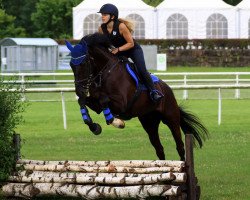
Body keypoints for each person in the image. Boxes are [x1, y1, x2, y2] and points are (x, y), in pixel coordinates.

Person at [98, 3, 163, 103]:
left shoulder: (121, 26)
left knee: (141, 69)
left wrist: (118, 49)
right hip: (119, 52)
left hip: (133, 50)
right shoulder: (101, 29)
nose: (102, 16)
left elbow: (130, 43)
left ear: (113, 16)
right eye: (102, 14)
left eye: (105, 14)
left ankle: (154, 92)